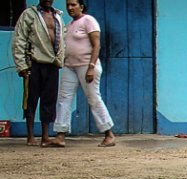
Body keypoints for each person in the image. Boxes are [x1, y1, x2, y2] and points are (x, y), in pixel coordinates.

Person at [54, 0, 115, 147]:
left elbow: (96, 45)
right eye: (68, 5)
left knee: (93, 98)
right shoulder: (68, 26)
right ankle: (60, 135)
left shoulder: (88, 20)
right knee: (64, 98)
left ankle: (109, 134)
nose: (70, 8)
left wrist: (91, 67)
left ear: (81, 6)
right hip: (69, 66)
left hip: (86, 66)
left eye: (73, 4)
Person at [12, 0, 65, 147]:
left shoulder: (57, 16)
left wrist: (61, 59)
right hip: (34, 63)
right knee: (31, 99)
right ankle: (30, 136)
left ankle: (45, 136)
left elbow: (62, 40)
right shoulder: (30, 14)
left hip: (52, 64)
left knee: (49, 100)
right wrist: (21, 64)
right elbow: (19, 39)